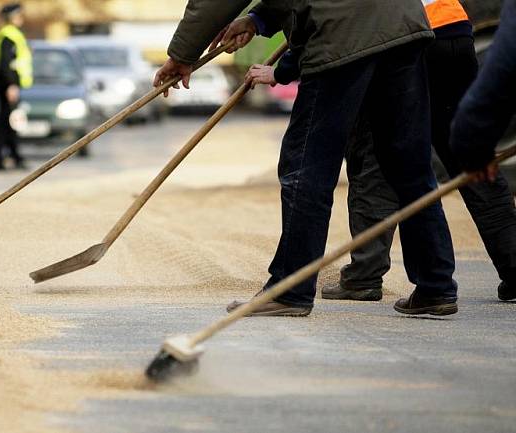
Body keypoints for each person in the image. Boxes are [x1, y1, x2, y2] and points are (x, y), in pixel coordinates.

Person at [154, 0, 459, 317]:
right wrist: (258, 19)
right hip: (402, 23)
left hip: (341, 34)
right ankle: (436, 286)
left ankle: (290, 290)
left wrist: (181, 56)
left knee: (305, 168)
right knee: (409, 164)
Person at [247, 1, 516, 303]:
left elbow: (335, 22)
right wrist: (259, 20)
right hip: (454, 29)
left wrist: (283, 68)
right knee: (469, 163)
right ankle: (507, 269)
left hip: (402, 38)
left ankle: (365, 275)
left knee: (378, 158)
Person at [450, 0, 516, 260]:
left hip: (422, 36)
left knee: (401, 160)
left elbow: (504, 70)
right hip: (453, 28)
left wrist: (473, 145)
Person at [0, 3, 32, 171]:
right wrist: (12, 85)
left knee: (8, 122)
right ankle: (1, 158)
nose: (21, 18)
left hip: (7, 85)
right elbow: (5, 64)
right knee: (6, 122)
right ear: (12, 18)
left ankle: (10, 156)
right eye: (18, 15)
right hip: (8, 86)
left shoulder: (9, 34)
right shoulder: (9, 36)